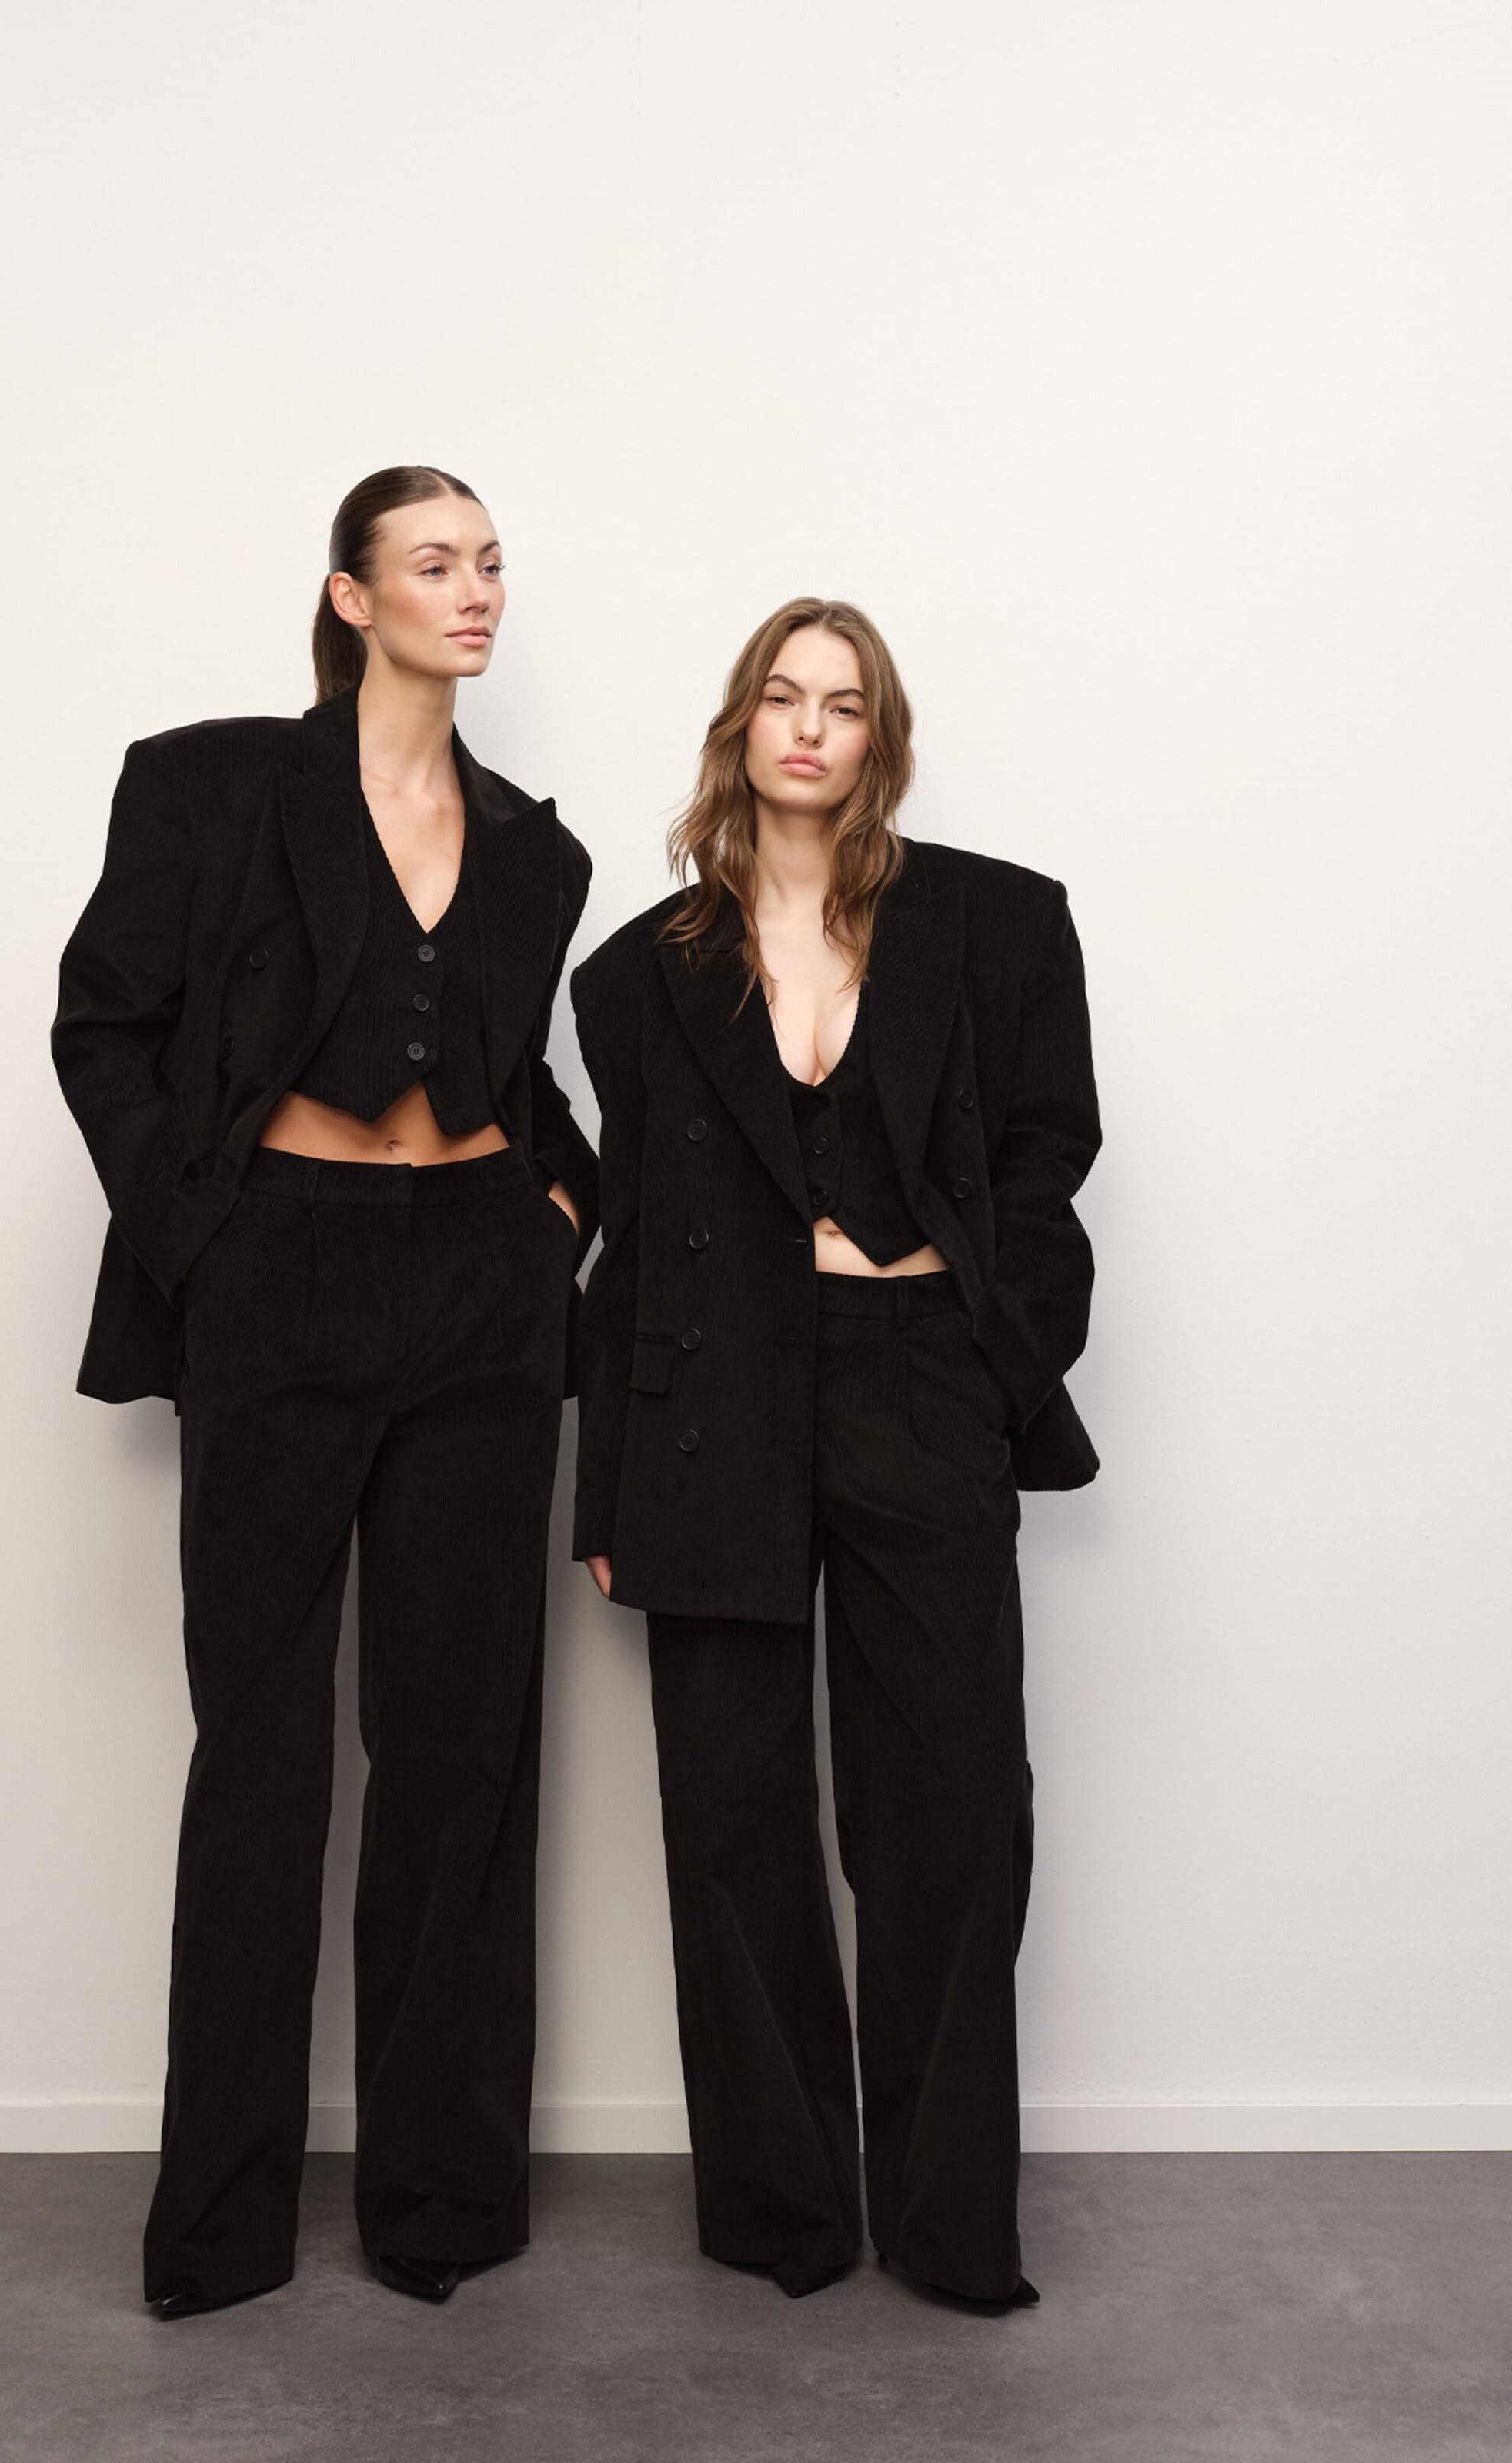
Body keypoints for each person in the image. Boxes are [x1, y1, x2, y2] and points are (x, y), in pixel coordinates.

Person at [52, 466, 599, 2317]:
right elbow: (104, 1023)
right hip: (276, 1276)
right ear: (352, 595)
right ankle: (219, 2222)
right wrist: (203, 1239)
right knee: (263, 1754)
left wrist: (561, 1212)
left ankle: (441, 2201)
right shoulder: (210, 784)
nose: (476, 589)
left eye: (491, 562)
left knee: (460, 1757)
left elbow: (523, 1078)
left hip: (480, 1299)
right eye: (435, 562)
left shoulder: (532, 847)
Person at [569, 597, 1099, 2307]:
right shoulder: (639, 971)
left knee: (950, 1803)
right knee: (733, 1814)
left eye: (845, 703)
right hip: (710, 1403)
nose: (809, 727)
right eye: (783, 697)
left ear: (882, 736)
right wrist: (607, 1485)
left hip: (917, 1382)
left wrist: (1000, 1355)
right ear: (741, 724)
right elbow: (629, 1239)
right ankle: (783, 2210)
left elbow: (1047, 1160)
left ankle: (948, 2221)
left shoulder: (999, 923)